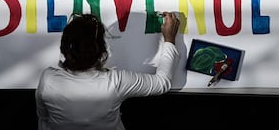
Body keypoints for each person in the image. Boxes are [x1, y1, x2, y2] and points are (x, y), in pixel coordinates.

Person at [35, 12, 180, 130]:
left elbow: (43, 116)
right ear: (102, 52)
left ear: (64, 48)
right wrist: (169, 39)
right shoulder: (114, 82)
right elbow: (162, 83)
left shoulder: (48, 80)